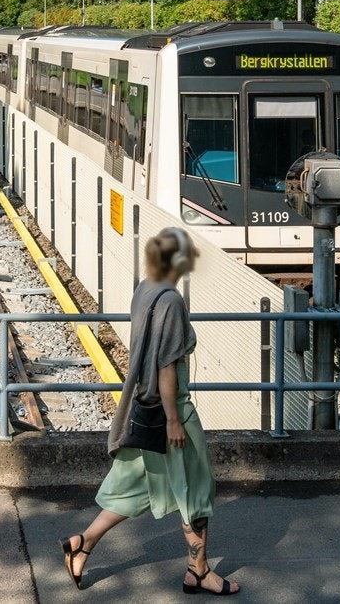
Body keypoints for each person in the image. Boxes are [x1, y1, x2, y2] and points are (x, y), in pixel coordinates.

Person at [60, 227, 240, 595]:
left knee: (138, 488)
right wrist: (174, 419)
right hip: (171, 410)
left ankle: (83, 543)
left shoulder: (145, 289)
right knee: (195, 490)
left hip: (143, 406)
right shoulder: (171, 300)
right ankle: (200, 571)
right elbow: (166, 366)